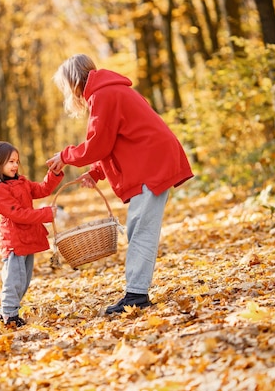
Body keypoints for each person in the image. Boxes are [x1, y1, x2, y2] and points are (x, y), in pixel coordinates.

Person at [46, 54, 193, 315]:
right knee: (139, 226)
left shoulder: (104, 95)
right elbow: (115, 141)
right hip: (151, 159)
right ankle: (136, 292)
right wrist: (96, 173)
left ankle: (136, 295)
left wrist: (65, 156)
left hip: (152, 163)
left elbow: (97, 144)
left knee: (141, 228)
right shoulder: (108, 92)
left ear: (74, 82)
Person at [0, 141, 64, 327]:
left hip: (27, 238)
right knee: (14, 279)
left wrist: (55, 173)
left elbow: (42, 189)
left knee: (25, 279)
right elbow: (17, 214)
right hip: (14, 240)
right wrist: (45, 214)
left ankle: (9, 311)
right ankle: (8, 314)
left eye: (16, 161)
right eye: (10, 161)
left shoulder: (22, 182)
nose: (15, 165)